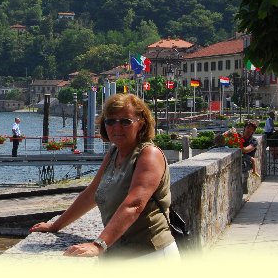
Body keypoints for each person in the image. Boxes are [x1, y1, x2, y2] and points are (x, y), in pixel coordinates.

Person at [29, 93, 179, 260]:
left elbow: (134, 204)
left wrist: (99, 244)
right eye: (110, 121)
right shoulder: (114, 152)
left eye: (125, 121)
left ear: (141, 123)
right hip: (120, 252)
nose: (117, 127)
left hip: (151, 254)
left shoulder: (149, 155)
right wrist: (56, 225)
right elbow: (91, 194)